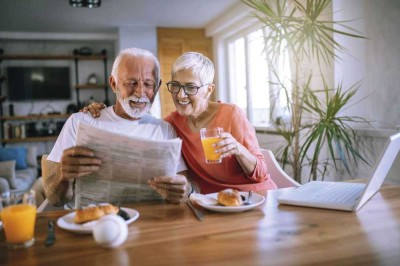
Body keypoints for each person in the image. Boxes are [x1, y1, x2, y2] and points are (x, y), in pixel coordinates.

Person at [84, 52, 277, 194]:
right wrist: (101, 110)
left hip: (254, 198)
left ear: (209, 89)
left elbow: (261, 173)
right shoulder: (171, 124)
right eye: (175, 85)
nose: (180, 95)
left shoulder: (231, 114)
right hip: (211, 204)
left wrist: (238, 149)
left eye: (190, 87)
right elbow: (134, 120)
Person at [43, 47, 191, 208]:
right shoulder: (80, 121)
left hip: (147, 224)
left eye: (148, 84)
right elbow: (54, 199)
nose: (140, 92)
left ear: (157, 86)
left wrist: (184, 189)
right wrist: (63, 175)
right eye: (131, 83)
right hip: (90, 225)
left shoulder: (164, 129)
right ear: (113, 84)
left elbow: (184, 189)